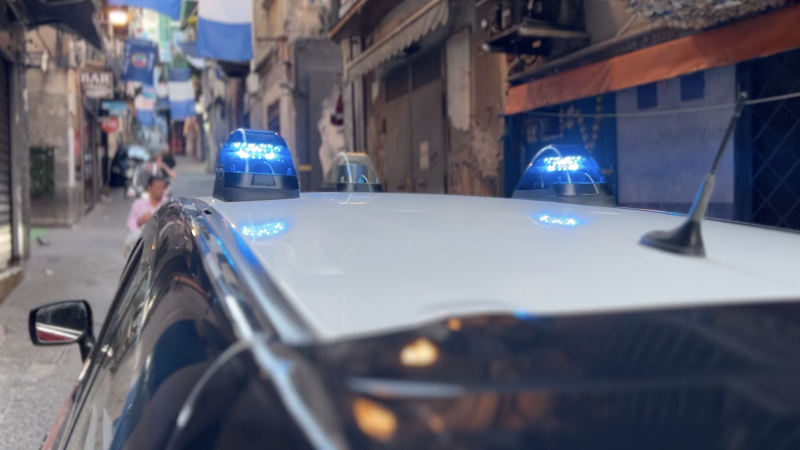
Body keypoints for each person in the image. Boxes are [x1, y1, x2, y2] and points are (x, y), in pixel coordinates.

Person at [124, 176, 169, 257]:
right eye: (157, 188)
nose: (160, 191)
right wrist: (140, 221)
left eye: (162, 188)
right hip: (142, 241)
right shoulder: (139, 204)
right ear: (149, 187)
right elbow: (131, 225)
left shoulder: (168, 204)